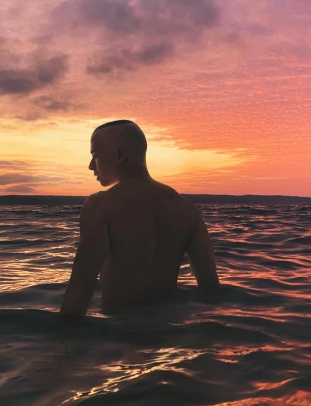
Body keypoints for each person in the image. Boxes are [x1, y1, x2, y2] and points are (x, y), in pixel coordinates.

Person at [59, 119, 219, 319]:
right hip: (168, 336)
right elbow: (210, 288)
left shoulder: (101, 205)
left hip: (119, 338)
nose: (91, 165)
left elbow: (81, 286)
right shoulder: (186, 210)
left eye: (95, 155)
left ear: (120, 155)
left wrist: (63, 345)